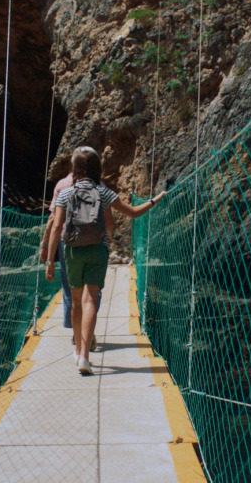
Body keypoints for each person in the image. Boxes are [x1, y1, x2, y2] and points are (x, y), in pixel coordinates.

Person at [46, 147, 166, 375]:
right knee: (91, 300)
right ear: (97, 168)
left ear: (75, 168)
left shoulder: (65, 193)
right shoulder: (103, 192)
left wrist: (51, 260)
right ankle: (85, 357)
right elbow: (132, 212)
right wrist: (154, 200)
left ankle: (78, 350)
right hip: (97, 251)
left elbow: (56, 228)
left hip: (71, 250)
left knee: (75, 302)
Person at [39, 147, 112, 350]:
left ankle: (76, 333)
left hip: (68, 243)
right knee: (93, 293)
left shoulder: (62, 186)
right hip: (96, 244)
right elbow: (108, 221)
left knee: (70, 291)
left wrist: (45, 246)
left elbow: (54, 220)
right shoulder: (100, 186)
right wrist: (109, 242)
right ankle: (88, 334)